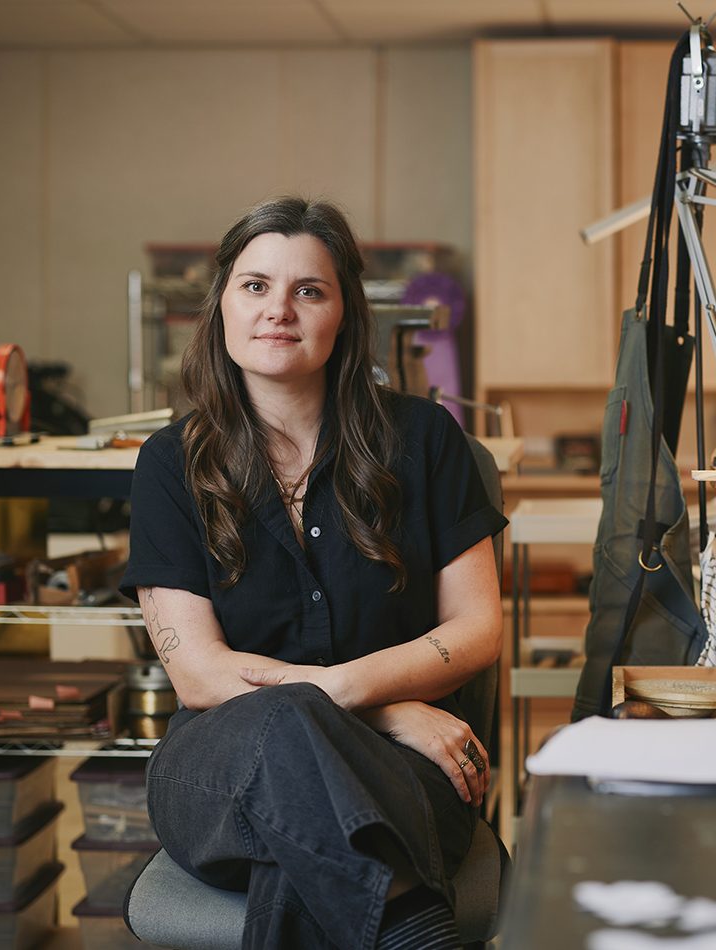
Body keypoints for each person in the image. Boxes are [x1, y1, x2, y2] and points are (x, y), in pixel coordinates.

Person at [119, 196, 507, 950]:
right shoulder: (171, 464)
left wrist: (330, 701)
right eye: (255, 286)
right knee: (289, 733)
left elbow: (478, 627)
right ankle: (417, 933)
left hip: (399, 778)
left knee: (299, 857)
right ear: (222, 307)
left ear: (344, 312)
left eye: (309, 290)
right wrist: (380, 708)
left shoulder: (425, 441)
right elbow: (201, 677)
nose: (279, 311)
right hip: (223, 769)